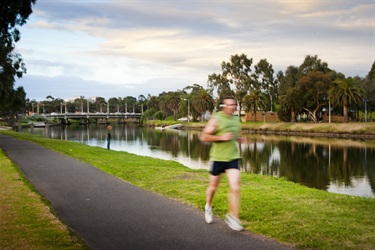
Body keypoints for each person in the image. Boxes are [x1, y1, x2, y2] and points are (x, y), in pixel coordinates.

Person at [200, 96, 245, 231]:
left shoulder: (236, 119)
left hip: (232, 157)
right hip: (217, 158)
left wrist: (239, 139)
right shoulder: (216, 119)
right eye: (229, 105)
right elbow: (204, 136)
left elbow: (234, 135)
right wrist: (221, 137)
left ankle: (233, 217)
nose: (232, 107)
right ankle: (208, 206)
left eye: (234, 105)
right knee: (213, 186)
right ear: (223, 106)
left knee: (235, 187)